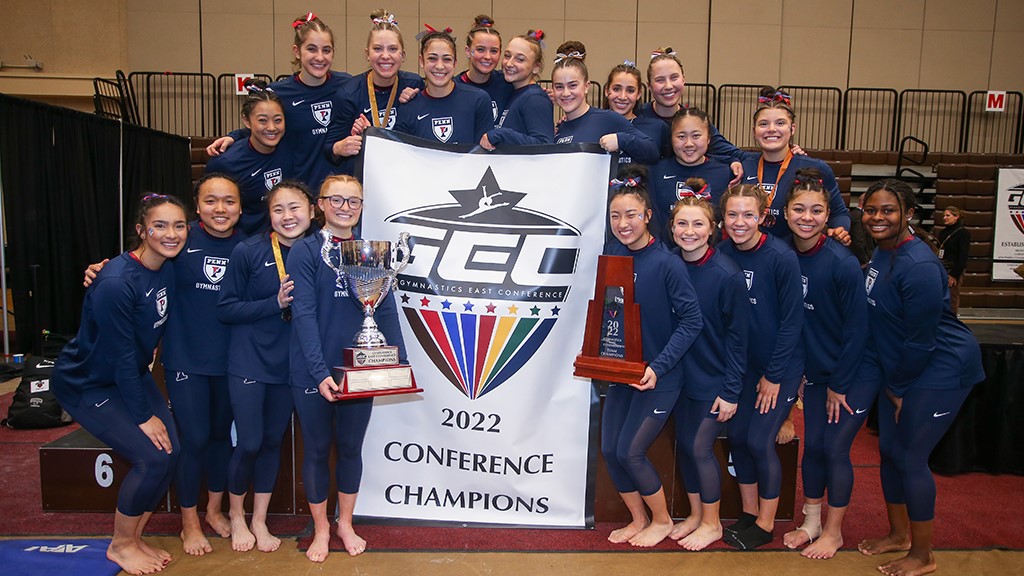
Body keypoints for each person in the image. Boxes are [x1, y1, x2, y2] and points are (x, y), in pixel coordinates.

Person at [82, 176, 246, 556]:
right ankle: (189, 522)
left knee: (223, 438)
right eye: (210, 201)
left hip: (232, 362)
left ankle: (214, 511)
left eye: (229, 201)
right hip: (185, 360)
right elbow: (138, 265)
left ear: (241, 207)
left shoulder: (249, 244)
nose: (220, 209)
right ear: (197, 206)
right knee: (193, 441)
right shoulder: (178, 239)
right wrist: (100, 270)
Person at [53, 194, 188, 575]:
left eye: (178, 225)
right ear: (141, 230)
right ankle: (121, 544)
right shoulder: (115, 282)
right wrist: (143, 416)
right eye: (160, 226)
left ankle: (135, 537)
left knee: (172, 452)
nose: (171, 233)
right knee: (151, 456)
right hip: (89, 383)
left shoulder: (167, 266)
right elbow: (122, 356)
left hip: (127, 375)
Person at [857, 179, 985, 576]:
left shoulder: (919, 265)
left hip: (940, 368)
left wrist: (897, 388)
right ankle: (898, 535)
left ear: (909, 214)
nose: (878, 217)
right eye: (871, 210)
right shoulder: (882, 251)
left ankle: (923, 555)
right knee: (891, 454)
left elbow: (922, 341)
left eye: (888, 211)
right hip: (903, 367)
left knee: (911, 458)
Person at [287, 174, 408, 561]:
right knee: (318, 450)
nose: (344, 207)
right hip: (314, 370)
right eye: (336, 199)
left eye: (353, 201)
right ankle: (321, 528)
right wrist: (321, 372)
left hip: (361, 367)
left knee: (352, 448)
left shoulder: (370, 249)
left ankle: (345, 523)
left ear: (362, 206)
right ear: (319, 204)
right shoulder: (305, 252)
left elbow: (385, 308)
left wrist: (398, 362)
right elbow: (303, 314)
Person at [601, 166, 703, 548]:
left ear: (647, 217)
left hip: (660, 377)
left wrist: (658, 367)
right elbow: (610, 314)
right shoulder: (615, 256)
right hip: (623, 372)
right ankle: (638, 518)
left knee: (631, 451)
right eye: (615, 216)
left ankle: (662, 520)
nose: (623, 223)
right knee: (611, 449)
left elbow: (692, 321)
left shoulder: (667, 263)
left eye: (631, 215)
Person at [217, 181, 315, 553]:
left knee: (273, 442)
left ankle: (259, 519)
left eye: (295, 208)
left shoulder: (320, 252)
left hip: (291, 365)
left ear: (311, 210)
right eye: (278, 209)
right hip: (250, 361)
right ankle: (237, 514)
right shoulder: (248, 251)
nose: (287, 217)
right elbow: (226, 308)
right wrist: (272, 303)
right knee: (250, 442)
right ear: (268, 214)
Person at [781, 168, 870, 559]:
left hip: (852, 372)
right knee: (813, 448)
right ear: (786, 213)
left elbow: (857, 330)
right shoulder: (784, 255)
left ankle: (834, 531)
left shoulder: (842, 262)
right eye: (799, 209)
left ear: (829, 214)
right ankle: (811, 521)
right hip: (816, 373)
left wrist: (839, 382)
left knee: (834, 449)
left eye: (817, 210)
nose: (807, 217)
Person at [716, 183, 804, 550]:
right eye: (733, 215)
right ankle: (750, 514)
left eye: (748, 215)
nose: (740, 222)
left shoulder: (781, 258)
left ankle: (766, 524)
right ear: (722, 219)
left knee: (757, 439)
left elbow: (792, 323)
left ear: (763, 217)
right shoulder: (720, 253)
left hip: (777, 367)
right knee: (737, 438)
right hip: (742, 366)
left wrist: (775, 377)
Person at [666, 179, 748, 551]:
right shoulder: (669, 266)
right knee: (685, 447)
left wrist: (731, 391)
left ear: (713, 229)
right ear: (671, 228)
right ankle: (696, 515)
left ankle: (713, 523)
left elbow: (738, 338)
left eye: (698, 224)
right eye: (682, 224)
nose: (689, 231)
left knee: (700, 448)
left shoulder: (726, 274)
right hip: (681, 377)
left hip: (714, 380)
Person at [205, 14, 351, 191]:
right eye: (311, 49)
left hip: (338, 192)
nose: (320, 57)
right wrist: (234, 137)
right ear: (297, 51)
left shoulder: (347, 85)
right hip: (300, 190)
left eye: (326, 50)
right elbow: (266, 126)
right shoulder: (279, 92)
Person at [740, 87, 850, 243]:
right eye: (763, 124)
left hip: (797, 255)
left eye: (780, 123)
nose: (771, 129)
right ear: (754, 131)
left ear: (792, 129)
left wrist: (839, 230)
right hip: (751, 254)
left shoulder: (815, 168)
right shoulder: (743, 167)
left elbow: (839, 212)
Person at [329, 10, 425, 165]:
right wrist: (340, 147)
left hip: (403, 174)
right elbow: (329, 148)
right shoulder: (349, 93)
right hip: (363, 179)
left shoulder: (414, 85)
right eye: (378, 49)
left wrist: (416, 102)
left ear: (403, 55)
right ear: (367, 54)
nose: (385, 56)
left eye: (393, 49)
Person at [205, 80, 294, 235]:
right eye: (262, 120)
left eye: (278, 120)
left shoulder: (289, 145)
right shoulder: (226, 163)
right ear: (246, 121)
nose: (272, 127)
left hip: (284, 237)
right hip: (245, 242)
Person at [637, 48, 743, 176]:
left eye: (674, 77)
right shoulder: (637, 117)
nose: (669, 86)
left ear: (683, 79)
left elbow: (731, 153)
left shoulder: (694, 121)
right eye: (660, 80)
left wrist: (733, 161)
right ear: (649, 86)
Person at [550, 42, 658, 165]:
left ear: (586, 86)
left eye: (573, 85)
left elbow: (651, 151)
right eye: (559, 87)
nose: (566, 93)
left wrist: (622, 140)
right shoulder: (558, 131)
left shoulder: (608, 119)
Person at [393, 25, 493, 144]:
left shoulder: (478, 101)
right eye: (432, 58)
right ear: (421, 61)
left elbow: (484, 155)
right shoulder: (409, 107)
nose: (439, 66)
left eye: (446, 59)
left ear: (455, 63)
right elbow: (399, 155)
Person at [649, 108, 734, 239]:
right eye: (681, 137)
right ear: (671, 139)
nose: (689, 144)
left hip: (710, 254)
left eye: (696, 136)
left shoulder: (725, 173)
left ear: (709, 138)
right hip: (666, 254)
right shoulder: (656, 172)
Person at [479, 29, 554, 148]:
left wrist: (502, 134)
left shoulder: (534, 98)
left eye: (520, 59)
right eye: (507, 56)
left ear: (536, 67)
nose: (509, 63)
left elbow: (544, 145)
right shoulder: (516, 92)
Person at [604, 60, 669, 168]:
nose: (622, 97)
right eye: (617, 89)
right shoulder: (594, 123)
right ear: (607, 91)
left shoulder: (657, 128)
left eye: (630, 90)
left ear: (638, 94)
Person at [455, 14, 513, 127]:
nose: (487, 56)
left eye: (494, 51)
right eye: (480, 49)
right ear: (468, 51)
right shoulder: (454, 87)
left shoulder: (508, 83)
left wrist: (545, 94)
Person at [936, 206, 970, 314]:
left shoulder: (962, 233)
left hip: (954, 269)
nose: (945, 218)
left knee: (952, 297)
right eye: (944, 216)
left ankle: (952, 321)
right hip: (942, 267)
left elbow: (962, 255)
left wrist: (955, 275)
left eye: (948, 215)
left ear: (956, 217)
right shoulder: (942, 233)